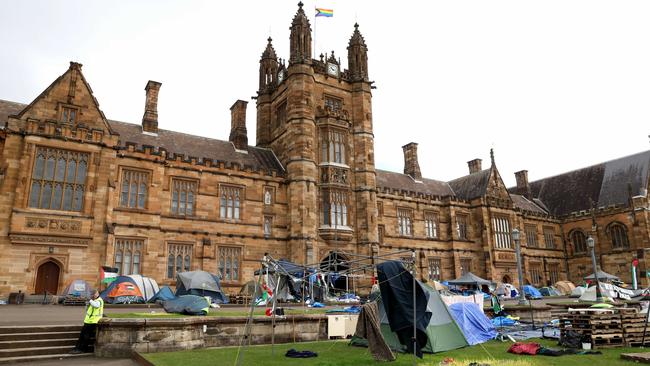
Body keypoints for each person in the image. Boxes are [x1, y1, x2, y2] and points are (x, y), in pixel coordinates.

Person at [70, 289, 103, 354]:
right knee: (82, 335)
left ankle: (82, 349)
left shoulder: (99, 300)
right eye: (92, 295)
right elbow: (87, 310)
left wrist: (90, 300)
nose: (93, 295)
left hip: (93, 321)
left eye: (95, 294)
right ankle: (78, 348)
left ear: (97, 294)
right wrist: (87, 304)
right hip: (88, 320)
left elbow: (96, 306)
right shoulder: (93, 300)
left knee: (86, 336)